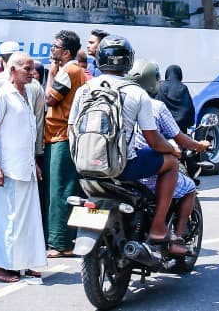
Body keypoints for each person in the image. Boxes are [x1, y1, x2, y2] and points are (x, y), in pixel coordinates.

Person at [69, 36, 184, 255]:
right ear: (129, 61)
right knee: (171, 163)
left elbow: (71, 130)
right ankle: (158, 227)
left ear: (100, 59)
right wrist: (171, 149)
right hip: (123, 167)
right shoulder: (136, 93)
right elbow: (153, 140)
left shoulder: (84, 90)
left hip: (83, 166)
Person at [128, 60, 209, 254]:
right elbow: (175, 136)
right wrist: (198, 146)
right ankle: (174, 238)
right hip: (144, 168)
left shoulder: (123, 102)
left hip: (119, 167)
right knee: (188, 186)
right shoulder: (155, 106)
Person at [0, 52, 47, 283]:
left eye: (32, 69)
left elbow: (28, 132)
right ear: (12, 69)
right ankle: (0, 267)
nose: (33, 73)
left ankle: (22, 263)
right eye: (27, 69)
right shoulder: (2, 95)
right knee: (7, 219)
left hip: (25, 168)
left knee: (27, 220)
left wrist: (34, 163)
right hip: (8, 169)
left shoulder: (28, 93)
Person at [43, 30, 85, 258]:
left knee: (59, 191)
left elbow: (50, 99)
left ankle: (59, 243)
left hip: (62, 135)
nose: (52, 50)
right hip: (59, 136)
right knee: (62, 189)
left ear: (66, 52)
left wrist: (51, 74)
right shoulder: (74, 70)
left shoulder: (68, 71)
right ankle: (62, 241)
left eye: (55, 47)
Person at [158, 65, 195, 132]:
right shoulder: (183, 87)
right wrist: (190, 123)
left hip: (163, 128)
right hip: (180, 129)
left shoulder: (160, 86)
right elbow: (189, 108)